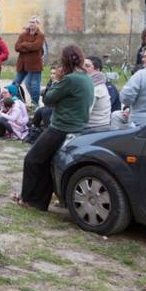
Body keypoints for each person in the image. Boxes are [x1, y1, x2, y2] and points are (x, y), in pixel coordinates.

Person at [18, 45, 94, 211]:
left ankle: (28, 199)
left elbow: (48, 99)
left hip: (62, 127)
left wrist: (55, 81)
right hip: (79, 126)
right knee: (46, 162)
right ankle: (39, 201)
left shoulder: (70, 79)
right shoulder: (86, 77)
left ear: (65, 60)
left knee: (32, 159)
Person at [14, 17, 45, 107]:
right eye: (30, 22)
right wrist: (28, 46)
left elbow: (36, 46)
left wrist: (24, 44)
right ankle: (17, 101)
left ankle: (35, 103)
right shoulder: (23, 35)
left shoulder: (40, 35)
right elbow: (16, 47)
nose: (31, 24)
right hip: (22, 64)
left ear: (37, 24)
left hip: (34, 64)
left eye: (34, 22)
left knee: (35, 85)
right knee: (15, 83)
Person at [83, 56, 112, 131]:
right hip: (95, 126)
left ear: (97, 70)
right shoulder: (96, 84)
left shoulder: (96, 88)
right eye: (82, 65)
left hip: (94, 129)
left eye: (87, 66)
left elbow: (83, 114)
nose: (83, 68)